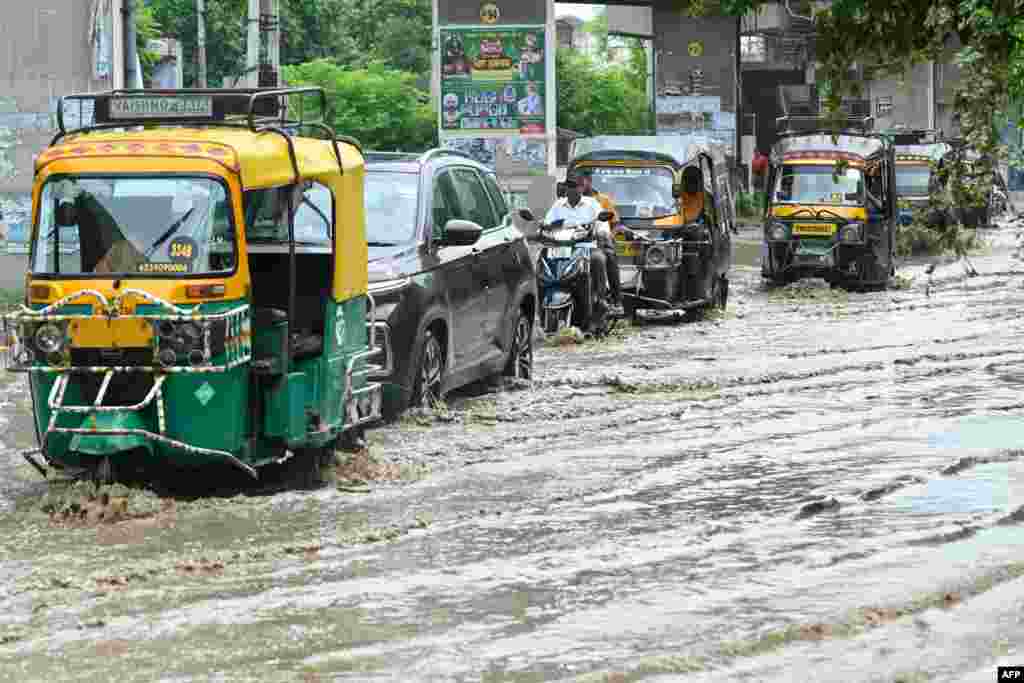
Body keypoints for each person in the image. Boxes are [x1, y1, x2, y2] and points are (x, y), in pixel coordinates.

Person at [543, 175, 622, 314]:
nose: (572, 190)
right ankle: (539, 303)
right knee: (542, 259)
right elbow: (547, 223)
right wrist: (543, 227)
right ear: (565, 189)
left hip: (586, 246)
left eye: (575, 187)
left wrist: (601, 233)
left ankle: (600, 300)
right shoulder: (557, 205)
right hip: (562, 248)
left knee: (598, 259)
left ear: (581, 188)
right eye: (570, 187)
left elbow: (602, 225)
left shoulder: (592, 204)